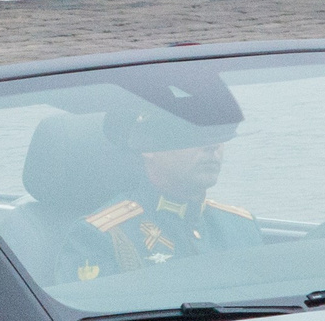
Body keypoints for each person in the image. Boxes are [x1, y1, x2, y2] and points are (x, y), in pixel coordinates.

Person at [57, 100, 262, 280]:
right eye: (191, 135)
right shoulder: (101, 237)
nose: (213, 146)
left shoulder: (241, 227)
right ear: (148, 148)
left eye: (217, 135)